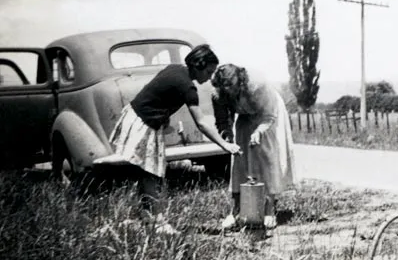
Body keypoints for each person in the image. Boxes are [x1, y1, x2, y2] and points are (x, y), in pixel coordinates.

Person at [108, 44, 241, 233]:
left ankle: (149, 217)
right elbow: (201, 123)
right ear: (198, 65)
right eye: (209, 71)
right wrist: (224, 145)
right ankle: (158, 222)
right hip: (144, 123)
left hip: (138, 117)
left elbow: (158, 93)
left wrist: (163, 116)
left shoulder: (175, 70)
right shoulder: (188, 86)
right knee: (152, 173)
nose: (210, 77)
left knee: (148, 172)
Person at [210, 63, 297, 230]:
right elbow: (222, 121)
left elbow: (269, 115)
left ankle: (269, 210)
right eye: (224, 87)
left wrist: (258, 132)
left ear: (240, 80)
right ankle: (235, 211)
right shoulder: (218, 94)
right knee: (239, 157)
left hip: (268, 114)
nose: (228, 90)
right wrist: (228, 140)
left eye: (231, 86)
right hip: (244, 116)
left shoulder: (258, 86)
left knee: (267, 156)